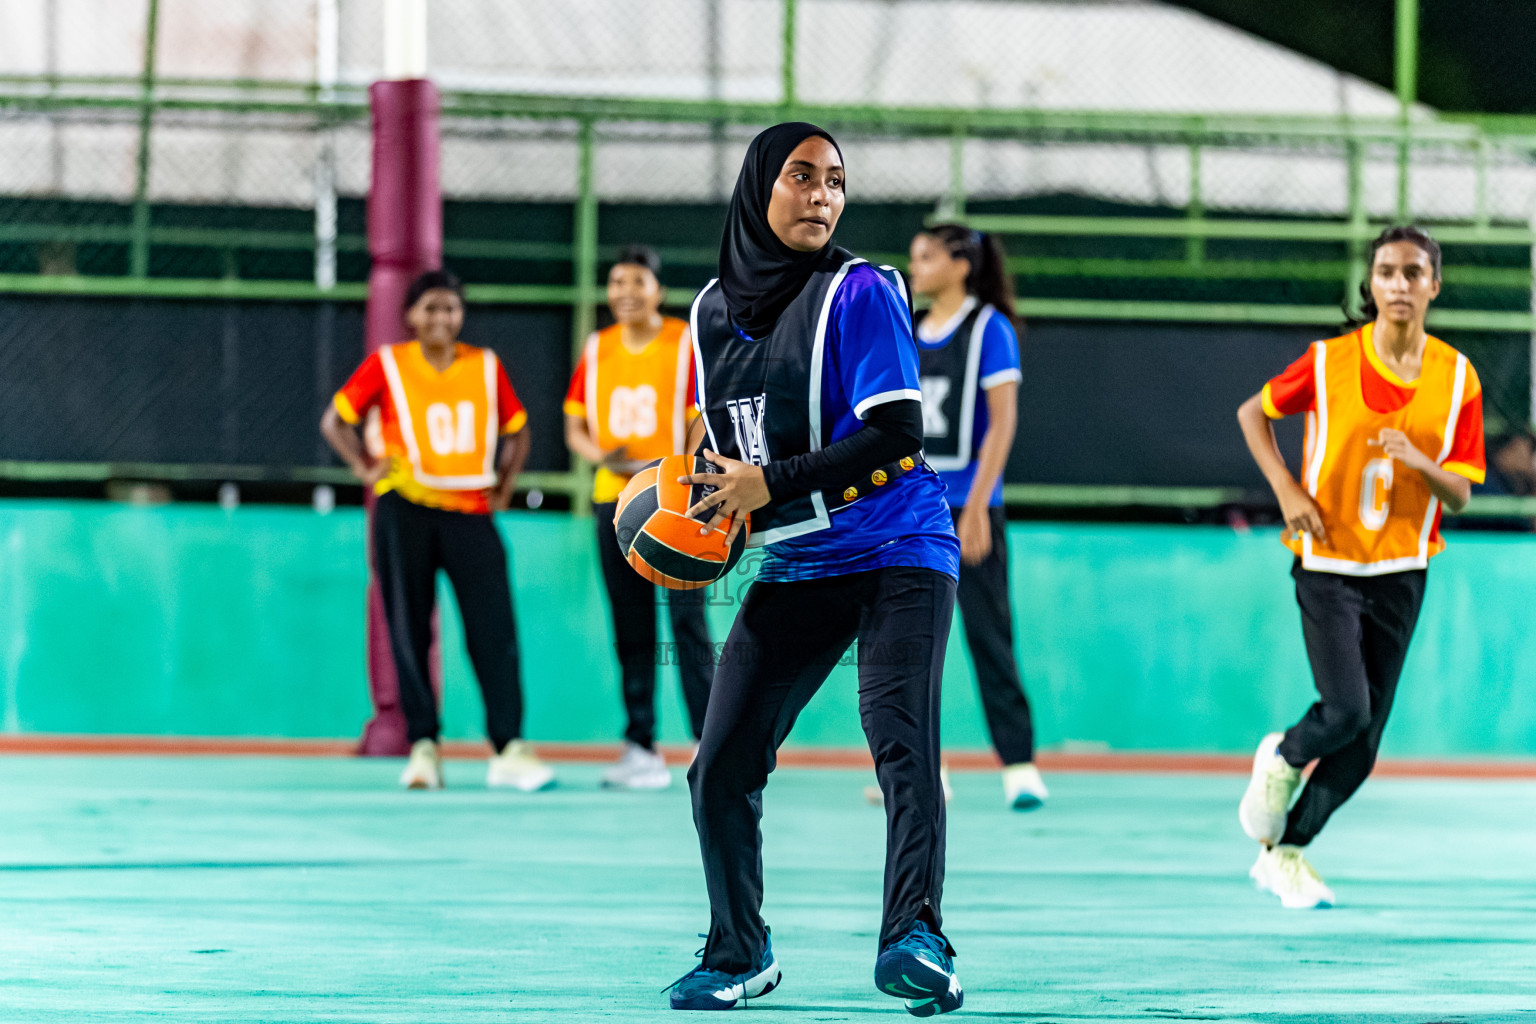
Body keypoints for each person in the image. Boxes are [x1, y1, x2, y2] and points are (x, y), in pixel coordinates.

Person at [662, 123, 964, 1017]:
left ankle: (916, 937)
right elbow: (719, 446)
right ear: (759, 188)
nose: (822, 195)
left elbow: (896, 433)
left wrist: (772, 481)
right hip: (797, 559)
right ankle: (737, 952)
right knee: (719, 766)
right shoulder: (710, 311)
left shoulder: (864, 291)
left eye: (836, 180)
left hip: (901, 542)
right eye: (802, 176)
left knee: (902, 747)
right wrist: (696, 510)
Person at [1235, 226, 1484, 908]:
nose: (1399, 284)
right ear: (1371, 285)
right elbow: (1252, 413)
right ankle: (1283, 754)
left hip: (1403, 566)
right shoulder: (1326, 363)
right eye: (1387, 272)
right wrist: (1287, 491)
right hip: (1328, 561)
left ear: (1434, 284)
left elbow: (1460, 493)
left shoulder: (1457, 377)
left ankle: (1283, 854)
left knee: (1365, 743)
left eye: (1413, 272)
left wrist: (1419, 461)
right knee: (1345, 708)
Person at [320, 269, 554, 793]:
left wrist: (505, 486)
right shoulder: (388, 364)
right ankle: (424, 746)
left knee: (493, 631)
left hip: (472, 511)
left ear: (461, 313)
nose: (440, 317)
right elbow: (335, 420)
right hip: (406, 507)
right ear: (410, 316)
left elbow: (518, 431)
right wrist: (364, 466)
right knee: (409, 629)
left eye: (449, 307)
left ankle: (508, 746)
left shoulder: (485, 366)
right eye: (429, 308)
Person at [905, 223, 1047, 811]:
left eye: (926, 257)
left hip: (969, 502)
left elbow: (1003, 423)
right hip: (911, 505)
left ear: (960, 265)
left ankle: (1019, 765)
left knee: (990, 635)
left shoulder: (990, 329)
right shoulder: (909, 331)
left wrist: (981, 505)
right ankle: (922, 769)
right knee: (912, 642)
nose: (914, 268)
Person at [564, 244, 713, 790]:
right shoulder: (598, 348)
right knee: (631, 627)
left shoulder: (684, 343)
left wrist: (687, 471)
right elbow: (574, 422)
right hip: (617, 500)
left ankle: (708, 741)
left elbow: (704, 417)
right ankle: (640, 746)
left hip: (675, 500)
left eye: (637, 282)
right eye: (617, 282)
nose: (625, 292)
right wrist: (599, 455)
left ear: (658, 289)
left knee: (688, 623)